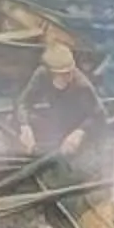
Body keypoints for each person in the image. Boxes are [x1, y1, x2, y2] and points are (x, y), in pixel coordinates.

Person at [16, 36, 107, 166]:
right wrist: (25, 128)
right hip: (56, 118)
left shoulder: (82, 86)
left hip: (77, 125)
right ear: (50, 73)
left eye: (70, 72)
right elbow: (23, 102)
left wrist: (79, 133)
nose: (69, 77)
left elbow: (99, 116)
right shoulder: (42, 75)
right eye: (63, 74)